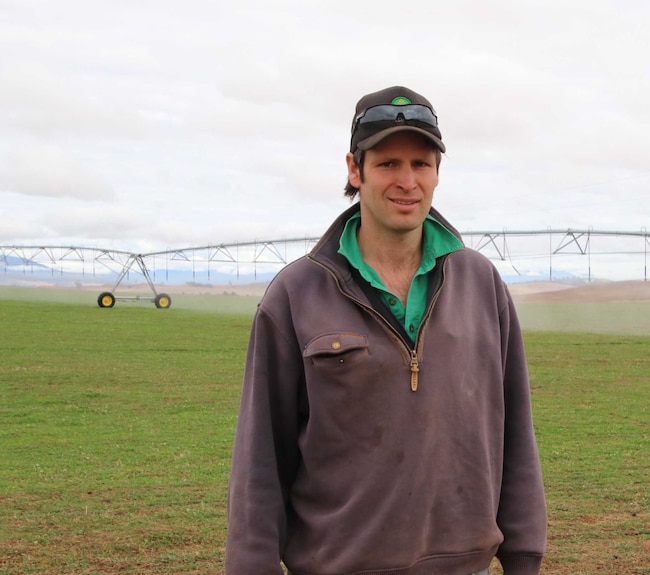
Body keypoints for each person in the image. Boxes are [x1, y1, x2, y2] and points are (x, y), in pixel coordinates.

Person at [225, 86, 547, 575]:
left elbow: (515, 430)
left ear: (438, 173)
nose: (407, 181)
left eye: (421, 164)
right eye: (388, 164)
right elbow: (259, 459)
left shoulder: (481, 284)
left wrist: (523, 554)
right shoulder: (295, 294)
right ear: (355, 170)